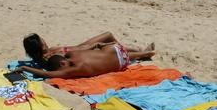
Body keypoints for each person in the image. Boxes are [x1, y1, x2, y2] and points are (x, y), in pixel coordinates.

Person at [14, 42, 155, 79]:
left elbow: (46, 74)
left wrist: (25, 68)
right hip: (114, 49)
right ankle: (142, 51)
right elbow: (89, 49)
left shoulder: (72, 69)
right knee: (111, 52)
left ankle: (144, 53)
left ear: (62, 64)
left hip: (120, 62)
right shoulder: (73, 55)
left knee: (127, 57)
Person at [22, 32, 154, 64]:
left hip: (82, 46)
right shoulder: (48, 58)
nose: (44, 39)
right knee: (109, 38)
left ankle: (138, 52)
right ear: (40, 44)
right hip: (85, 50)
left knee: (108, 35)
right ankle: (141, 53)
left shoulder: (45, 53)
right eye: (41, 39)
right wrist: (92, 48)